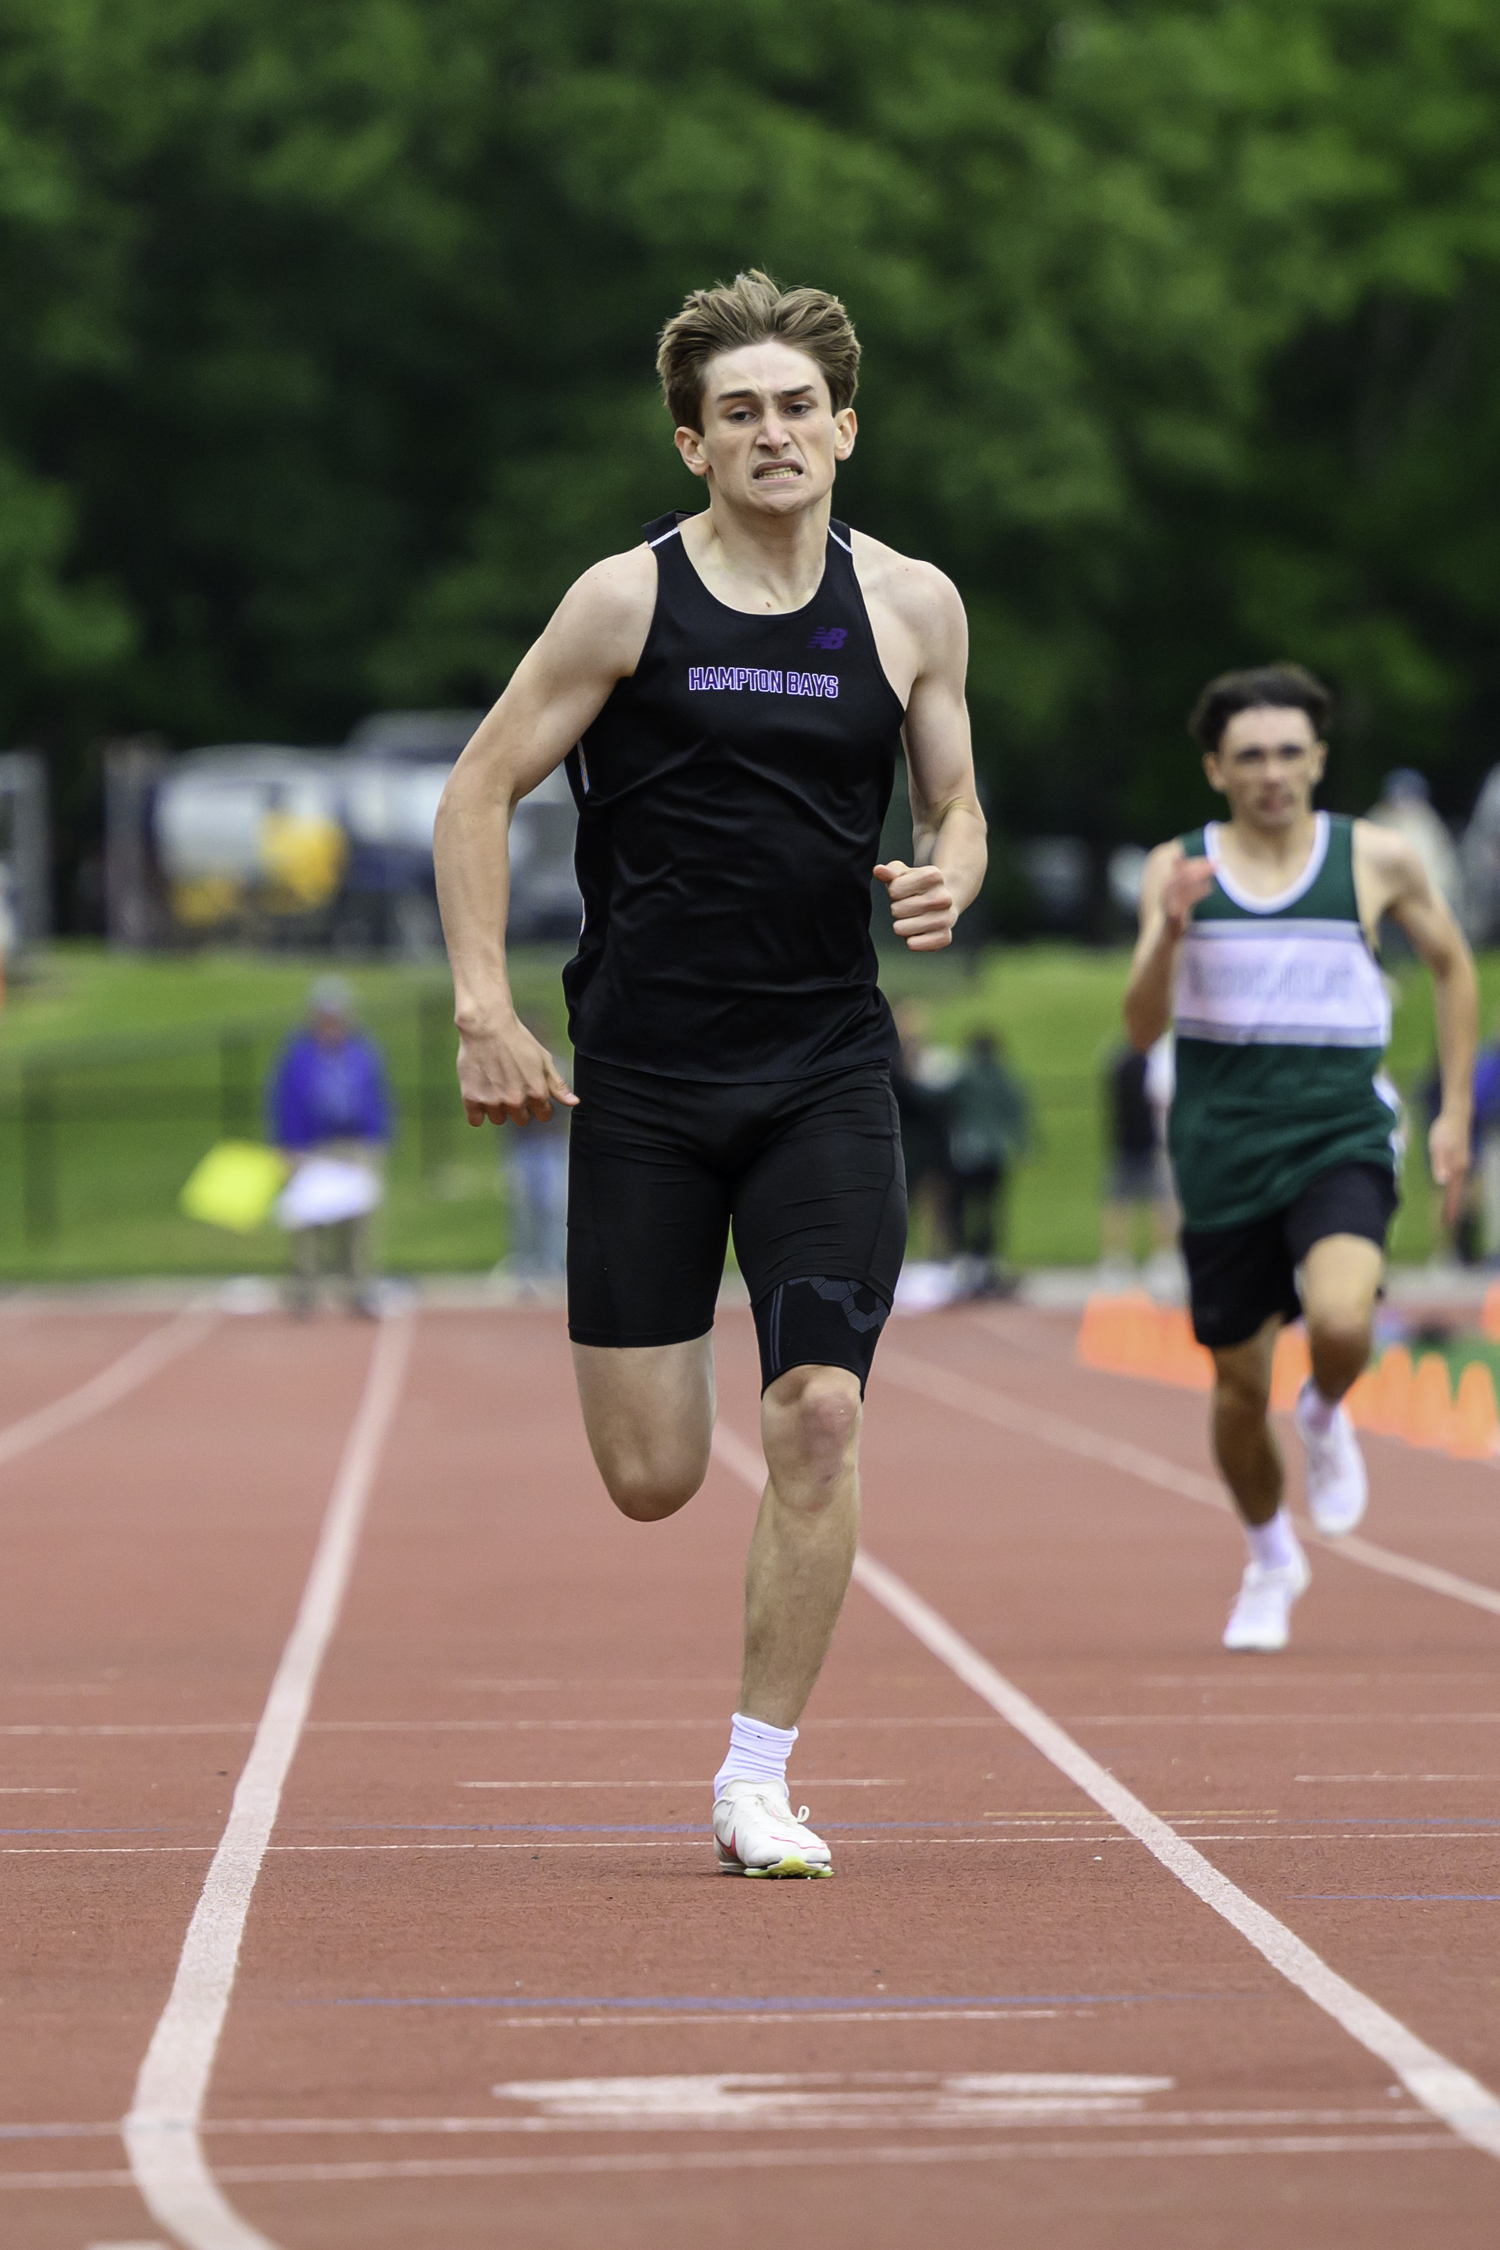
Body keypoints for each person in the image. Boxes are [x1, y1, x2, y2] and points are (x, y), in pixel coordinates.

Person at [434, 270, 986, 1876]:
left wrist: (951, 867)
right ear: (694, 443)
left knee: (817, 1414)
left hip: (825, 1065)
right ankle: (737, 1697)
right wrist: (485, 1005)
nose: (772, 432)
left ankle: (759, 1775)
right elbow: (477, 793)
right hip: (648, 1084)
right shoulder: (624, 603)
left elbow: (954, 800)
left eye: (796, 406)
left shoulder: (913, 607)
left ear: (846, 428)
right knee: (653, 1474)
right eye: (737, 411)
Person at [1125, 662, 1476, 1653]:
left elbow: (1453, 967)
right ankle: (1272, 1555)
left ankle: (1324, 1411)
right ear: (1215, 769)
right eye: (1250, 757)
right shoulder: (1177, 867)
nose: (1271, 773)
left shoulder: (1376, 859)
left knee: (1337, 1319)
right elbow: (1142, 1022)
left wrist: (1450, 1109)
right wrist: (1172, 932)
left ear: (1318, 759)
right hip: (1221, 1147)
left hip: (1339, 1134)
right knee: (1238, 1388)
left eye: (1288, 753)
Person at [267, 976, 393, 1317]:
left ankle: (359, 1289)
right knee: (307, 1222)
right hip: (311, 1146)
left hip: (354, 1146)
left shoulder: (362, 1052)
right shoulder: (298, 1055)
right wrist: (287, 1146)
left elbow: (376, 1098)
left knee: (358, 1223)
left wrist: (376, 1140)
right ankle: (305, 1290)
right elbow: (285, 1101)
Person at [945, 1030, 1029, 1293]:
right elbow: (1016, 1110)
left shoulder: (964, 1076)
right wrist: (1023, 1146)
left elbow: (943, 1103)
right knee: (990, 1210)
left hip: (966, 1152)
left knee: (961, 1207)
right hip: (994, 1152)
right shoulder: (1003, 1076)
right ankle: (987, 1263)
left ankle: (963, 1260)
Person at [1100, 1035, 1177, 1282]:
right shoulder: (1154, 1065)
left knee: (1120, 1204)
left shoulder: (1118, 1061)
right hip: (1151, 1143)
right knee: (1162, 1203)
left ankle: (1118, 1259)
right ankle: (1162, 1257)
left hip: (1125, 1142)